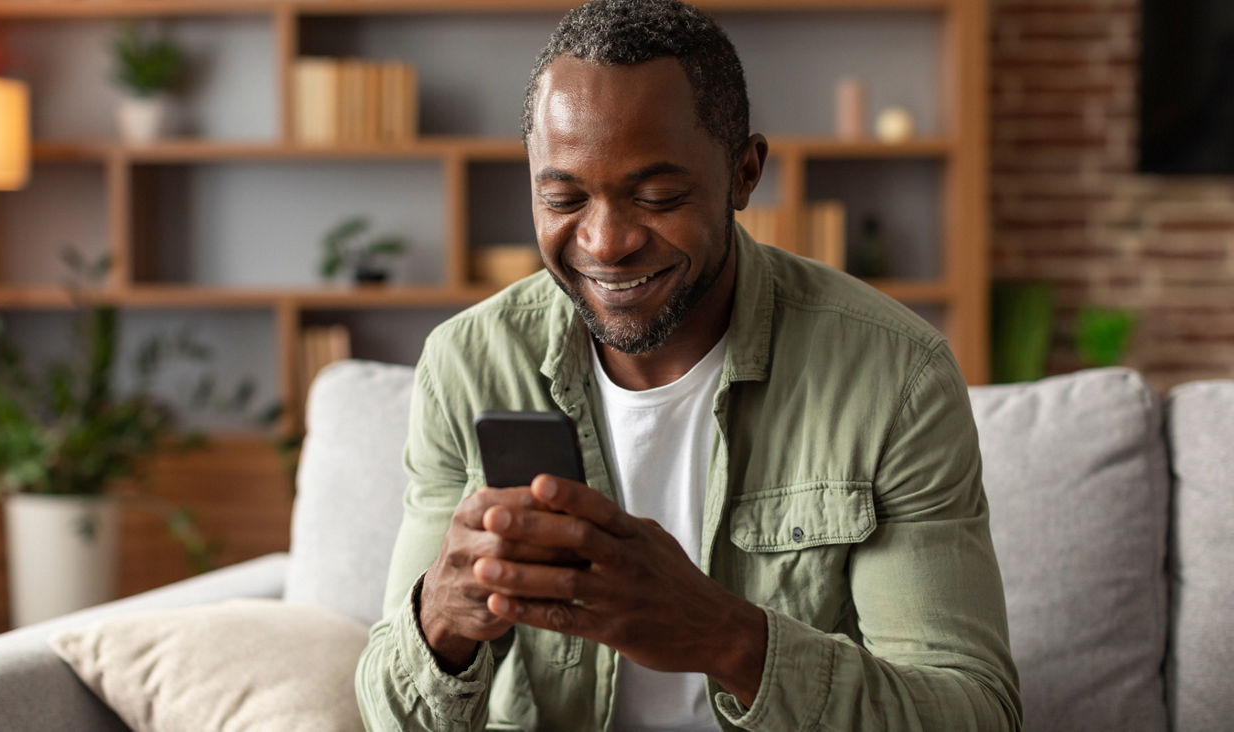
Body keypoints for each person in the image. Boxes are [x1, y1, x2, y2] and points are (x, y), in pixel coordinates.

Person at [356, 1, 1021, 729]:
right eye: (564, 197)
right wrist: (441, 624)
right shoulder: (468, 365)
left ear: (744, 174)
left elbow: (972, 713)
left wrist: (721, 634)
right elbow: (393, 718)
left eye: (657, 196)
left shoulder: (894, 374)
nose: (605, 243)